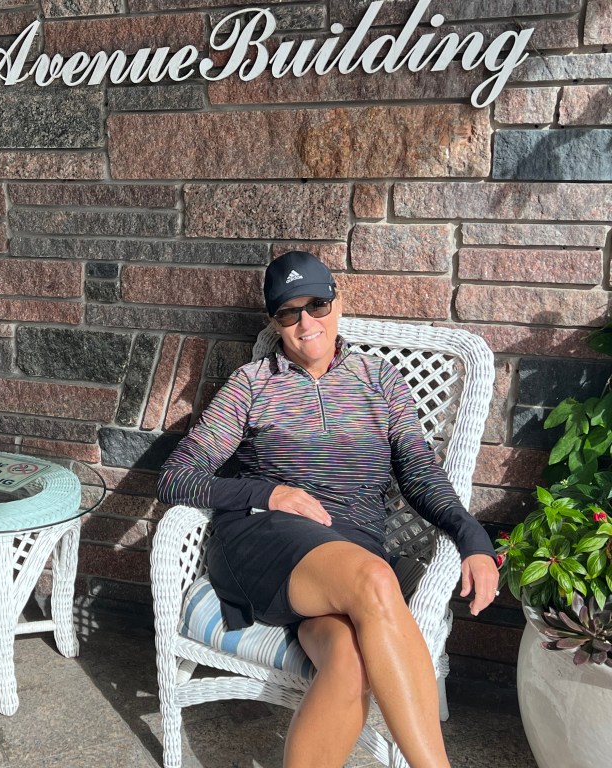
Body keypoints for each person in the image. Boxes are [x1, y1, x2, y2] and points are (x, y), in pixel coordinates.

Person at [157, 251, 499, 768]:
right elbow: (176, 477)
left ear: (337, 303)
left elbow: (421, 473)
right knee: (376, 580)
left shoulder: (380, 381)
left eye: (316, 304)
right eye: (288, 313)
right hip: (264, 540)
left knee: (350, 661)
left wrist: (472, 538)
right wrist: (268, 495)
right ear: (275, 322)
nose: (305, 323)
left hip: (347, 550)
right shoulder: (253, 383)